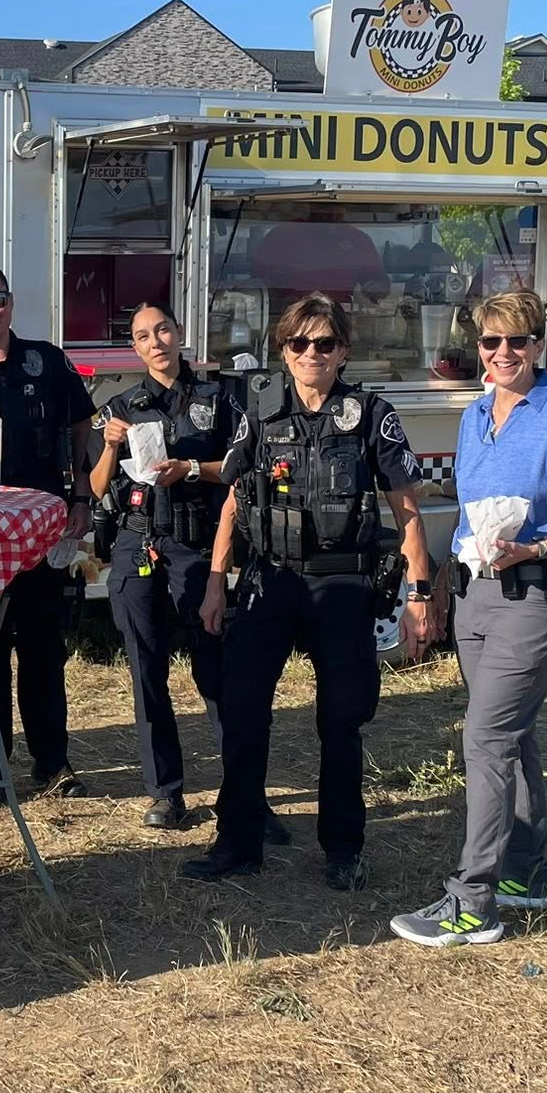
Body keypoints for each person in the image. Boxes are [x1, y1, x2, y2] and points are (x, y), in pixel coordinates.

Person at [183, 294, 440, 887]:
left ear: (343, 351)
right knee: (243, 711)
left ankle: (343, 849)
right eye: (299, 343)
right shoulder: (261, 412)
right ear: (284, 350)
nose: (311, 354)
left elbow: (406, 511)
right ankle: (238, 843)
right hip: (270, 578)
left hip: (342, 582)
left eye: (324, 343)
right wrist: (216, 583)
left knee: (341, 720)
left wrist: (421, 595)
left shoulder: (371, 414)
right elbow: (233, 500)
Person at [391, 290, 547, 948]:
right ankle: (525, 872)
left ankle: (472, 902)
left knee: (486, 738)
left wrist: (540, 547)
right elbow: (470, 517)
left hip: (536, 596)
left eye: (518, 340)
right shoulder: (474, 415)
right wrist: (437, 586)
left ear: (538, 345)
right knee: (512, 735)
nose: (504, 352)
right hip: (475, 595)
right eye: (492, 341)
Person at [0, 246, 95, 801]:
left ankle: (52, 762)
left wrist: (81, 493)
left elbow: (80, 425)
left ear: (12, 303)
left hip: (41, 530)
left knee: (43, 647)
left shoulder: (47, 360)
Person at [88, 301, 234, 830]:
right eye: (144, 336)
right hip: (138, 542)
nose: (156, 342)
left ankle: (240, 791)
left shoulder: (218, 400)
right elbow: (97, 487)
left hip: (195, 546)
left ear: (179, 333)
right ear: (135, 347)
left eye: (163, 330)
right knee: (146, 670)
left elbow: (239, 467)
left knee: (214, 669)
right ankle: (165, 793)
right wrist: (109, 447)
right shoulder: (120, 407)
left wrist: (192, 468)